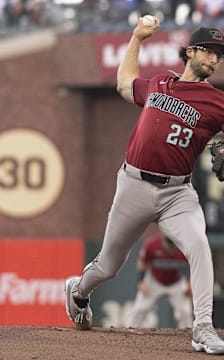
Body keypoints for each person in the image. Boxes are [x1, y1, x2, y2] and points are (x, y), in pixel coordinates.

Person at [64, 19, 224, 355]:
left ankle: (203, 327)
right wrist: (137, 37)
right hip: (133, 185)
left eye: (219, 55)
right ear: (191, 51)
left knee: (198, 245)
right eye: (209, 51)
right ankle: (79, 291)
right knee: (108, 265)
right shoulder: (160, 83)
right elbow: (124, 83)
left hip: (177, 193)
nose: (214, 59)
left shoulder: (217, 102)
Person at [127, 233, 193, 328]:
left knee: (185, 312)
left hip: (176, 282)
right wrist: (141, 281)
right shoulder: (152, 244)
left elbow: (192, 266)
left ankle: (187, 336)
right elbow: (142, 262)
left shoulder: (186, 247)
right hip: (154, 281)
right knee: (140, 309)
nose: (171, 248)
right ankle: (130, 332)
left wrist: (189, 283)